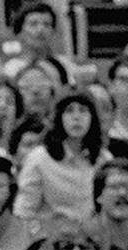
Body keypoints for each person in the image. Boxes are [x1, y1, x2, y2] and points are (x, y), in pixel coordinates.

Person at [14, 88, 106, 225]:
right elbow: (24, 212)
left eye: (83, 110)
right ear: (59, 117)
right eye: (69, 111)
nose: (76, 117)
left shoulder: (103, 159)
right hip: (51, 237)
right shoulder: (39, 159)